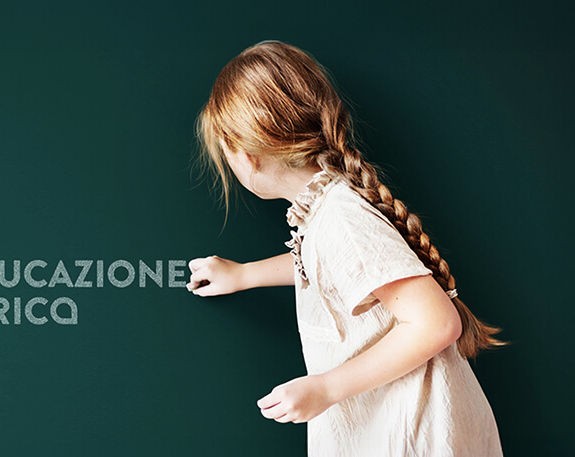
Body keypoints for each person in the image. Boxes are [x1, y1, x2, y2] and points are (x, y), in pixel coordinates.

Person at [187, 40, 505, 456]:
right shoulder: (325, 211)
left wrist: (324, 388)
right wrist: (244, 275)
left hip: (417, 432)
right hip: (395, 425)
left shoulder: (341, 216)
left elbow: (437, 323)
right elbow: (331, 265)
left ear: (246, 157)